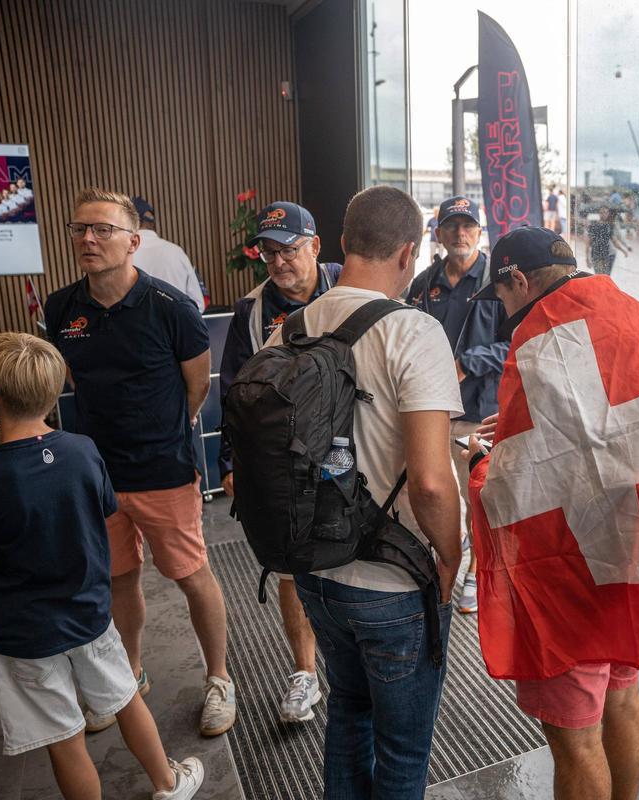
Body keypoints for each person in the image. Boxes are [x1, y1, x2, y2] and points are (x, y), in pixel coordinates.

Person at [463, 226, 639, 800]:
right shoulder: (631, 309)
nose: (506, 313)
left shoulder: (540, 334)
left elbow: (526, 484)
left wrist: (480, 462)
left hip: (581, 561)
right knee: (622, 695)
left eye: (503, 297)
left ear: (518, 279)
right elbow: (631, 429)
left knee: (575, 739)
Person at [272, 185, 462, 799]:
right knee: (403, 753)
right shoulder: (415, 331)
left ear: (344, 244)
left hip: (317, 573)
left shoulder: (292, 327)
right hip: (394, 584)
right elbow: (431, 482)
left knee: (348, 718)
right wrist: (452, 557)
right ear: (409, 253)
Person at [0, 332, 204, 800]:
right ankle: (168, 785)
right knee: (126, 698)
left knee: (65, 739)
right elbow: (100, 508)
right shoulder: (84, 450)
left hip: (24, 632)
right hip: (89, 613)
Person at [45, 188, 235, 738]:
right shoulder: (61, 309)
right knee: (118, 578)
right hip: (98, 474)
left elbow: (195, 388)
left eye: (102, 229)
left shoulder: (171, 307)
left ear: (133, 241)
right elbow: (77, 384)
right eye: (79, 229)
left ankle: (219, 678)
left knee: (192, 576)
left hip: (163, 470)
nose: (87, 239)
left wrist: (160, 432)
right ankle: (129, 674)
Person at [218, 200, 342, 723]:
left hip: (353, 445)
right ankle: (305, 673)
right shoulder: (251, 310)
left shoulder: (348, 288)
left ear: (314, 245)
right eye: (268, 253)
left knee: (355, 557)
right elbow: (234, 392)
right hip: (287, 455)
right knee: (291, 566)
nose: (278, 262)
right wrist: (232, 462)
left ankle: (351, 667)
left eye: (288, 249)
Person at [405, 196, 508, 615]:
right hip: (432, 411)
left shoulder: (498, 282)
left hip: (478, 415)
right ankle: (449, 559)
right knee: (434, 493)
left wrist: (469, 362)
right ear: (440, 233)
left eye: (468, 226)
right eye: (453, 227)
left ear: (480, 233)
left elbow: (516, 343)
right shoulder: (425, 282)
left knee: (480, 499)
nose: (460, 234)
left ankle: (474, 573)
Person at [129, 197, 207, 312]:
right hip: (178, 326)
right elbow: (198, 304)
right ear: (152, 223)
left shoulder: (125, 254)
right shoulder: (177, 251)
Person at [587, 207, 629, 276]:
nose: (604, 214)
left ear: (608, 214)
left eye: (606, 212)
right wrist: (587, 258)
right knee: (599, 277)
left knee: (606, 277)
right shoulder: (593, 226)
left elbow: (614, 241)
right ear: (599, 214)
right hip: (596, 254)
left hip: (606, 254)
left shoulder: (609, 226)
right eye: (602, 212)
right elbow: (588, 242)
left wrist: (623, 250)